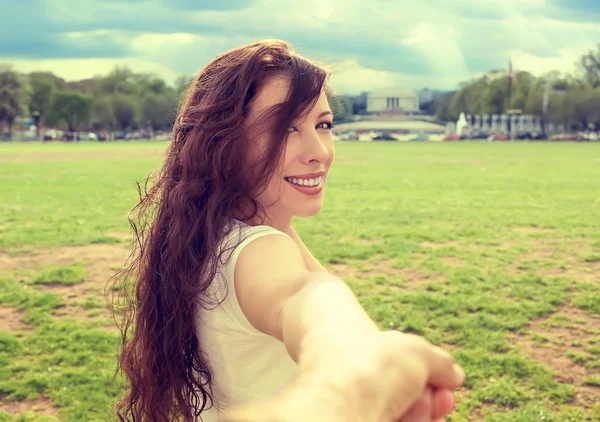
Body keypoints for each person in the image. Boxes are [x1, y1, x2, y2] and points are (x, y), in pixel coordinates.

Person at [111, 39, 465, 422]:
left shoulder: (218, 227)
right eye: (283, 127)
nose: (319, 151)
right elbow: (306, 299)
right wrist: (352, 378)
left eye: (324, 124)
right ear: (223, 142)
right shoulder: (259, 250)